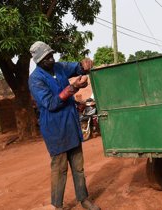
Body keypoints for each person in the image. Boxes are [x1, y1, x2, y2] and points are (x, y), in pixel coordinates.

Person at [28, 41, 100, 210]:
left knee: (78, 167)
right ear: (38, 61)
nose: (51, 59)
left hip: (71, 126)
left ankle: (84, 199)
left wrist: (84, 63)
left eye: (51, 55)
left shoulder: (59, 67)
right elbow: (51, 103)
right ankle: (57, 206)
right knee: (59, 171)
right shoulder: (35, 80)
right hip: (55, 130)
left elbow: (77, 68)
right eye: (46, 58)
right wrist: (72, 88)